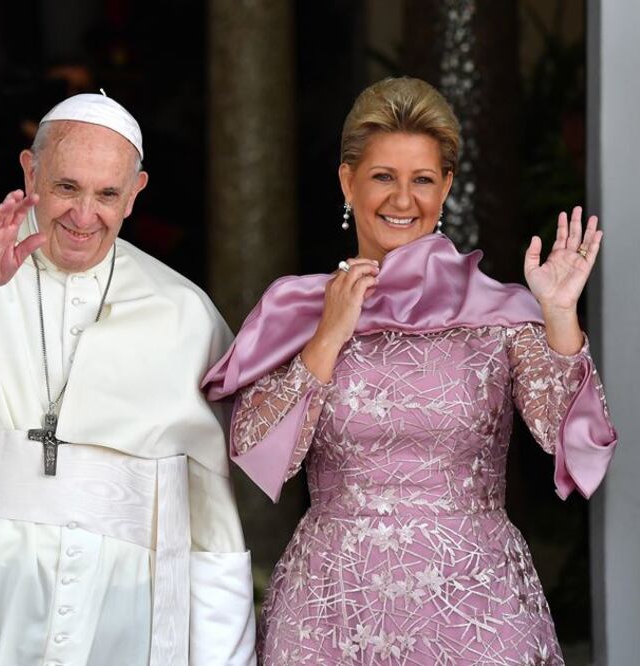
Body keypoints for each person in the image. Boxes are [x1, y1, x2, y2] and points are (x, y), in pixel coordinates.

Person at [203, 77, 617, 664]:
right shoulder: (298, 308)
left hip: (476, 607)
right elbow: (258, 449)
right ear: (348, 182)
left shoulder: (498, 312)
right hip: (331, 612)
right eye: (382, 177)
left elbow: (571, 442)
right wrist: (328, 334)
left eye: (422, 179)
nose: (403, 199)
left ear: (446, 187)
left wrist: (558, 316)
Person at [0, 93, 255, 665]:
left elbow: (210, 518)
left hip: (119, 614)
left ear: (136, 193)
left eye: (108, 194)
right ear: (30, 171)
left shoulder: (183, 312)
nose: (84, 215)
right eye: (67, 188)